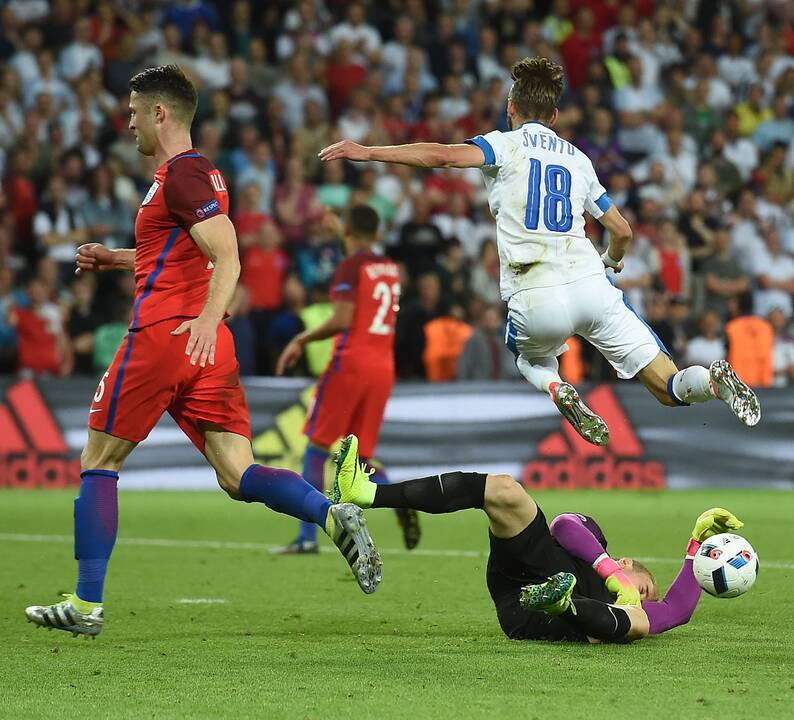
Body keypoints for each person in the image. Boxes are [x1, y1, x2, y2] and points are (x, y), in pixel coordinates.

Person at [24, 66, 382, 640]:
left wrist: (206, 319)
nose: (130, 121)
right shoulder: (198, 176)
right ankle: (328, 513)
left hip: (167, 335)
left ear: (161, 113)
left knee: (99, 460)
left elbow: (228, 253)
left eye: (136, 111)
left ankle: (86, 602)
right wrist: (117, 259)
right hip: (206, 349)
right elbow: (177, 251)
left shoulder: (181, 174)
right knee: (237, 474)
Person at [319, 56, 761, 446]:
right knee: (669, 387)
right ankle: (713, 382)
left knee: (530, 357)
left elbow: (443, 156)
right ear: (552, 115)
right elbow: (621, 229)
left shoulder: (502, 143)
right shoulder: (578, 159)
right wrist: (609, 260)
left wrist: (368, 151)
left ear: (511, 107)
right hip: (591, 285)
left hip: (535, 291)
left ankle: (558, 389)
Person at [333, 433, 745, 644]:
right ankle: (366, 493)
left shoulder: (640, 609)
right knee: (505, 489)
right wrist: (610, 576)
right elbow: (563, 524)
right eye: (644, 587)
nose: (645, 596)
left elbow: (677, 610)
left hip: (528, 613)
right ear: (627, 563)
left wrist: (698, 545)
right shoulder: (595, 546)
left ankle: (562, 602)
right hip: (526, 570)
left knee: (638, 627)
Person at [276, 205, 420, 553]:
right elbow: (360, 253)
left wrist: (301, 339)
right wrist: (342, 227)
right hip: (382, 367)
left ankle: (307, 538)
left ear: (348, 233)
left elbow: (342, 318)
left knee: (315, 449)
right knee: (360, 460)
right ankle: (399, 501)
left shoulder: (350, 265)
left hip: (350, 364)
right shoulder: (388, 267)